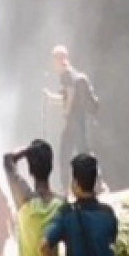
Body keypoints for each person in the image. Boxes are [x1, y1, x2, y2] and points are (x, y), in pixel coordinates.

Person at [41, 153, 121, 256]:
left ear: (75, 183)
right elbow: (111, 242)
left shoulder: (67, 214)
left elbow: (44, 246)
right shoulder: (108, 214)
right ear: (94, 181)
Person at [4, 139, 65, 256]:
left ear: (30, 169)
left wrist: (28, 151)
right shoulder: (61, 205)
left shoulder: (24, 200)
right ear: (51, 167)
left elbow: (7, 160)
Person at [42, 45, 99, 191]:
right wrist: (50, 98)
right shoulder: (72, 73)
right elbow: (65, 98)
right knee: (82, 151)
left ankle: (66, 188)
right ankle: (96, 183)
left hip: (73, 119)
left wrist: (66, 112)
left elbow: (71, 92)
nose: (53, 64)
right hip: (79, 119)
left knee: (66, 153)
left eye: (54, 59)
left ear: (59, 59)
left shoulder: (66, 73)